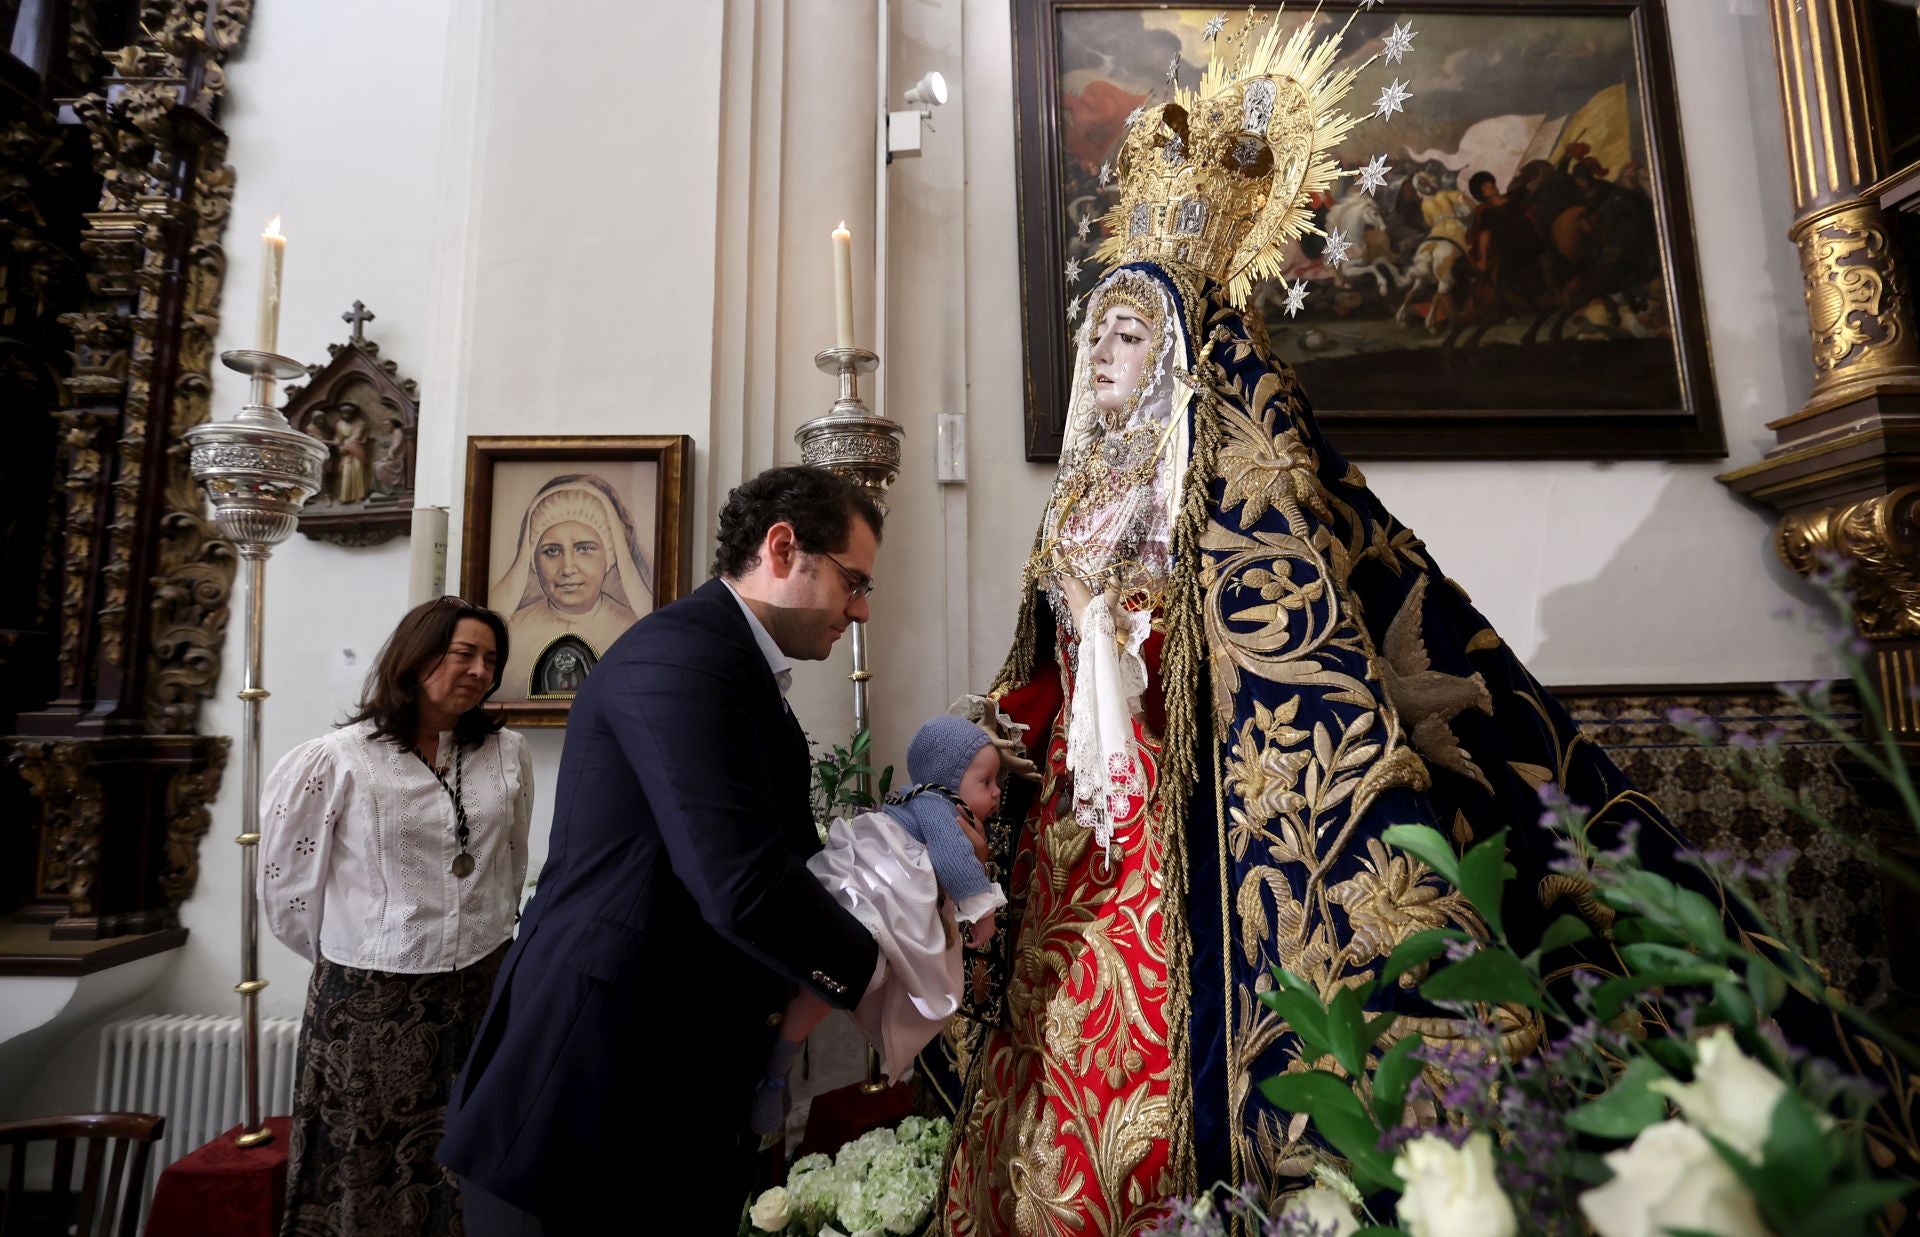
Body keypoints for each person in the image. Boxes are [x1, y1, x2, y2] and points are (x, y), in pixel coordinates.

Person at [938, 20, 1711, 1230]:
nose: (1100, 351)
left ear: (1185, 358)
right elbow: (1038, 661)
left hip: (1189, 804)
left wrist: (1125, 632)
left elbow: (1274, 632)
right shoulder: (1086, 492)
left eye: (1129, 333)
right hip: (1083, 820)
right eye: (1096, 330)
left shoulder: (1244, 475)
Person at [439, 465, 888, 1234]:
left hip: (662, 1077)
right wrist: (880, 974)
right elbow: (743, 884)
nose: (861, 608)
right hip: (583, 1096)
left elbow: (783, 860)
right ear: (783, 548)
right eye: (852, 580)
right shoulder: (681, 658)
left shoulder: (729, 665)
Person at [260, 597, 531, 1237]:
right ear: (414, 659)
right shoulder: (336, 759)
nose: (478, 671)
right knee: (367, 1169)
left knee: (470, 1166)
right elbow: (287, 896)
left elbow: (511, 865)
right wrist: (374, 952)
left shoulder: (507, 752)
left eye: (490, 660)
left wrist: (482, 932)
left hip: (481, 989)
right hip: (371, 1005)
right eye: (463, 653)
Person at [750, 713, 1015, 1137]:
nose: (997, 792)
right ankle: (776, 1072)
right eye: (986, 782)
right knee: (835, 985)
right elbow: (953, 862)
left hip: (870, 894)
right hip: (874, 896)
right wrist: (983, 914)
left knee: (823, 993)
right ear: (949, 780)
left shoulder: (915, 799)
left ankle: (777, 1068)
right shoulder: (938, 806)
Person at [490, 473, 652, 697]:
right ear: (533, 561)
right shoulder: (511, 634)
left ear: (610, 557)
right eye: (552, 551)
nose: (567, 568)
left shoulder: (633, 633)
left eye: (584, 549)